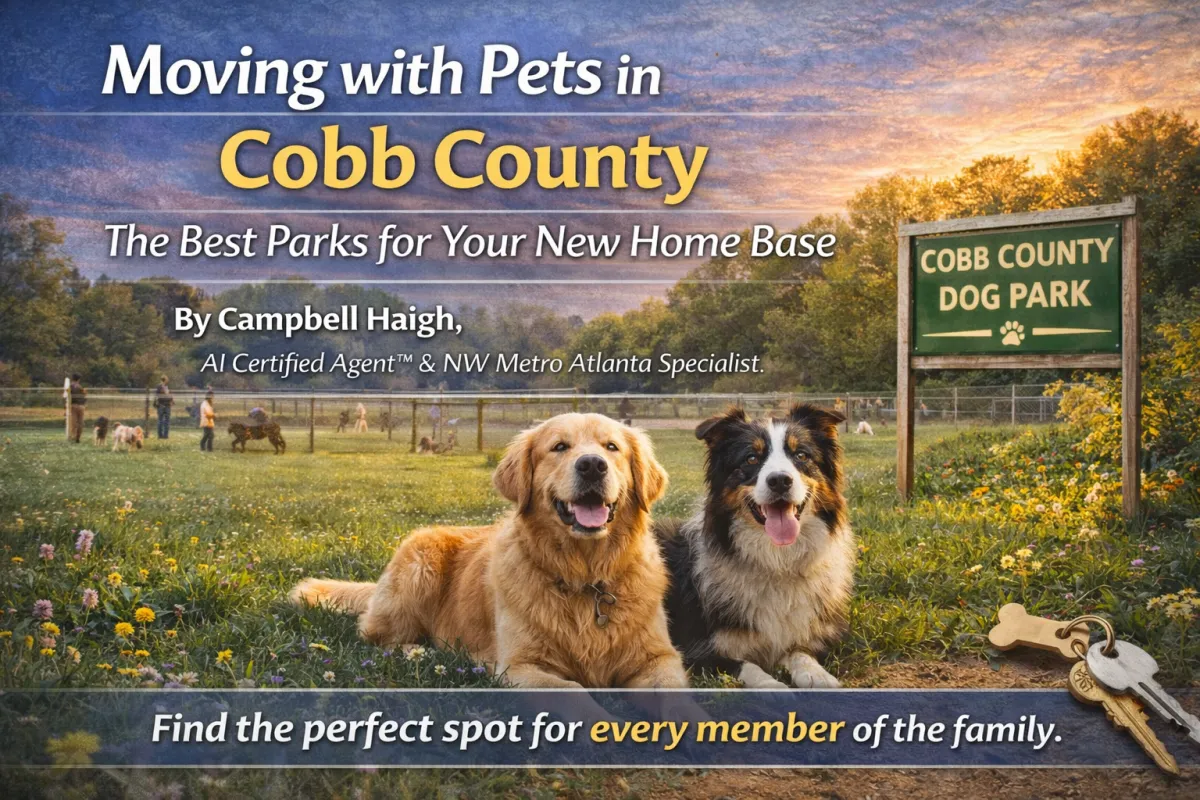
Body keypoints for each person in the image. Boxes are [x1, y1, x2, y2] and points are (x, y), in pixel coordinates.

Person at [68, 374, 86, 443]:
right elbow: (84, 395)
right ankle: (78, 437)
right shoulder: (80, 387)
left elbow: (66, 395)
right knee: (80, 422)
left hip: (74, 405)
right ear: (78, 379)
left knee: (74, 422)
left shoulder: (70, 386)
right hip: (81, 406)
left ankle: (73, 436)